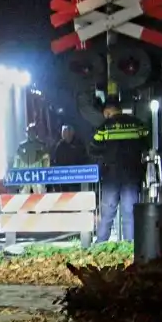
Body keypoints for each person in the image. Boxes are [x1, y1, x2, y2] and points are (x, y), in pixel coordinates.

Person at [90, 98, 151, 243]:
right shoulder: (137, 124)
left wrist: (107, 154)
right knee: (129, 213)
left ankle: (101, 246)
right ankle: (130, 247)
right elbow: (148, 143)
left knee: (107, 213)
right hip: (132, 173)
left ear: (108, 111)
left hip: (111, 175)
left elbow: (93, 148)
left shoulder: (105, 126)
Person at [13, 124, 50, 194]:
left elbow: (46, 162)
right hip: (24, 175)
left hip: (38, 175)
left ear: (36, 133)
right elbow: (16, 162)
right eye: (29, 132)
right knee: (23, 196)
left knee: (40, 195)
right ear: (27, 133)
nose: (31, 134)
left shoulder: (42, 145)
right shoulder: (21, 146)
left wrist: (45, 175)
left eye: (33, 132)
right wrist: (16, 175)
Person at [51, 125, 89, 192]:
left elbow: (84, 159)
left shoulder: (79, 144)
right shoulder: (59, 146)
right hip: (63, 179)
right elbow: (55, 161)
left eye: (68, 131)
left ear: (72, 132)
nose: (67, 134)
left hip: (77, 179)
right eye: (65, 132)